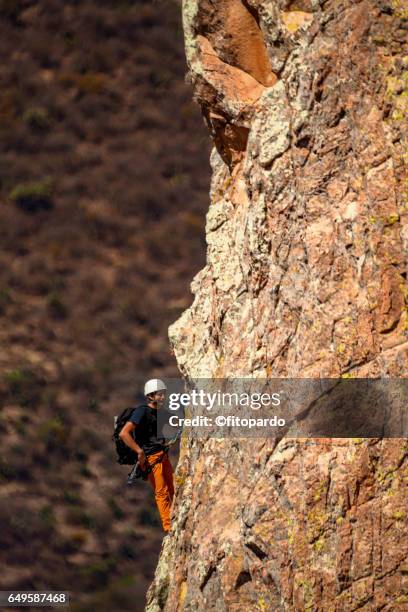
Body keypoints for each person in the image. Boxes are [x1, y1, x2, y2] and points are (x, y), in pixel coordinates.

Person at [119, 378, 174, 533]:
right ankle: (168, 526)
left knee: (173, 489)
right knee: (161, 491)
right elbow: (124, 433)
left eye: (164, 394)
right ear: (150, 396)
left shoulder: (160, 413)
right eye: (159, 394)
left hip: (162, 455)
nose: (163, 397)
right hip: (151, 459)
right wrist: (139, 451)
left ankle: (173, 517)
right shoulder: (142, 411)